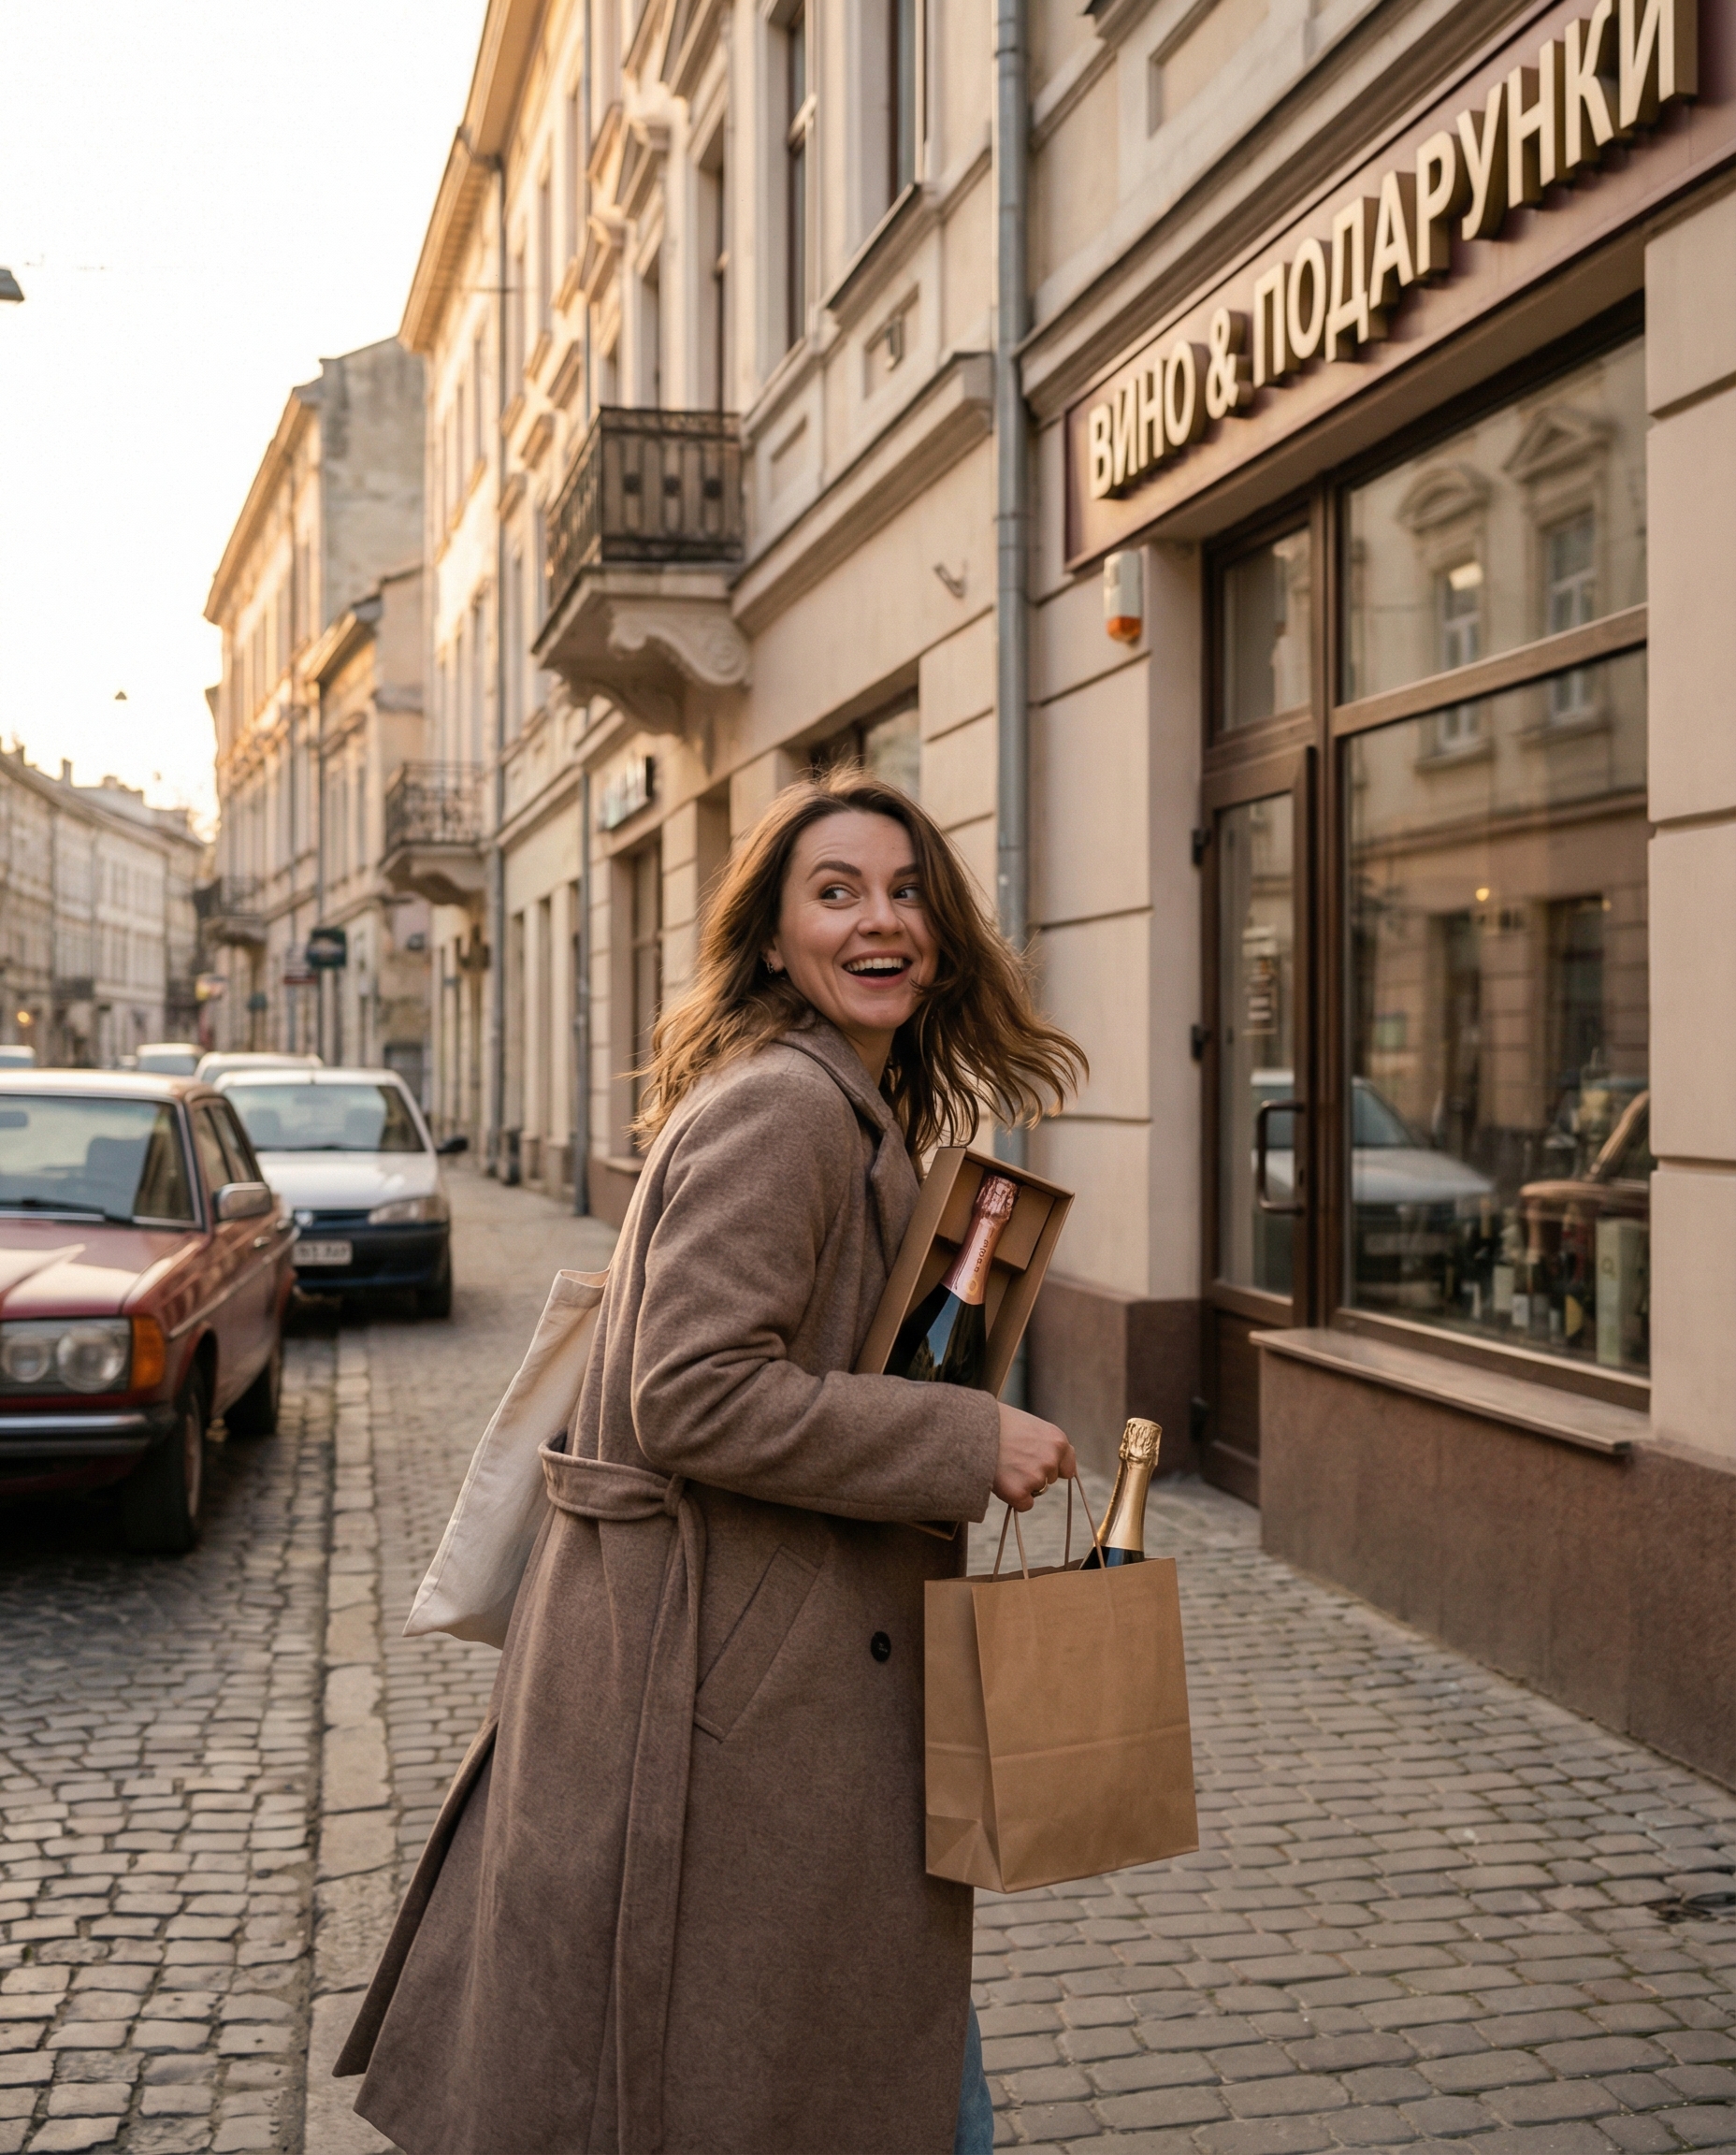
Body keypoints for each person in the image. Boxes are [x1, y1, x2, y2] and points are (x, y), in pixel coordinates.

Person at [336, 766, 1087, 2155]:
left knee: (868, 2060)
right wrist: (963, 1436)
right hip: (725, 1703)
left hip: (750, 1684)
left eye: (911, 892)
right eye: (838, 891)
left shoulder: (840, 1105)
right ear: (774, 937)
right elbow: (692, 1394)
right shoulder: (784, 1111)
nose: (885, 920)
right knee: (810, 2073)